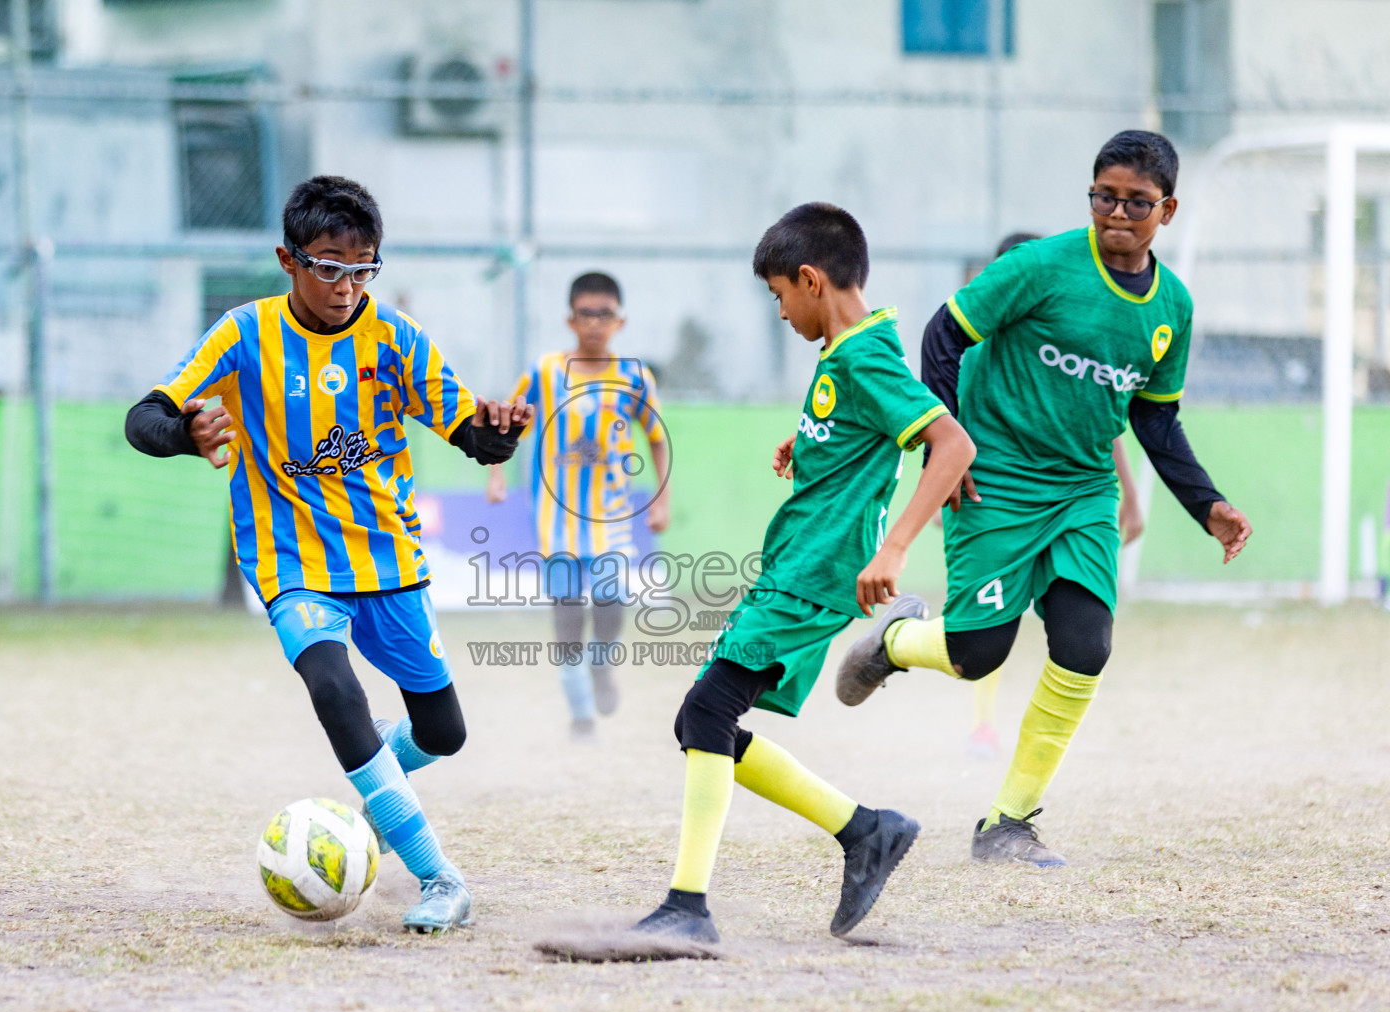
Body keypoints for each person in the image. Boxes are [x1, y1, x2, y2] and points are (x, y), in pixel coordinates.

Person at [124, 175, 531, 932]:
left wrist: (500, 428)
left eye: (363, 267)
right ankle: (440, 878)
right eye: (328, 266)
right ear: (288, 259)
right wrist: (186, 435)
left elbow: (472, 435)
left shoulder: (397, 338)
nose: (346, 286)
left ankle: (375, 788)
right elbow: (143, 416)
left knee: (442, 733)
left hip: (391, 564)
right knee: (336, 693)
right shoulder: (245, 333)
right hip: (290, 565)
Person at [836, 131, 1252, 866]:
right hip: (996, 481)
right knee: (977, 657)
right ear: (1090, 196)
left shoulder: (1173, 307)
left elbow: (1153, 415)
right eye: (1104, 197)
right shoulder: (1040, 267)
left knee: (1086, 647)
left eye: (1136, 202)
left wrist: (1205, 502)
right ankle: (896, 642)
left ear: (1169, 209)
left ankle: (1010, 822)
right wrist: (946, 441)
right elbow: (944, 335)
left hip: (1084, 490)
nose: (1117, 213)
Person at [631, 203, 977, 944]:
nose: (781, 312)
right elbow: (867, 428)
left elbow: (952, 446)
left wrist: (894, 551)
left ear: (811, 280)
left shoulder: (864, 355)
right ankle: (865, 831)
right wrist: (810, 442)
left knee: (707, 715)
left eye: (779, 295)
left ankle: (688, 908)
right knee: (701, 721)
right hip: (797, 563)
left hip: (815, 573)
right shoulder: (848, 349)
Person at [962, 233, 1147, 760]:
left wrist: (1129, 497)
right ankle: (981, 723)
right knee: (985, 635)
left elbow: (1104, 423)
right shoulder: (975, 346)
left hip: (1069, 502)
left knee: (1084, 637)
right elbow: (940, 420)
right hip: (994, 501)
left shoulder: (1068, 336)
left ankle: (1011, 803)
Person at [487, 272, 668, 739]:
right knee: (567, 610)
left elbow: (656, 439)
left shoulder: (634, 376)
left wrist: (661, 498)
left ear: (619, 320)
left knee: (610, 604)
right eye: (585, 313)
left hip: (611, 516)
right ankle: (580, 711)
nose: (594, 323)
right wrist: (496, 471)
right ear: (571, 318)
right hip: (556, 518)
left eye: (603, 314)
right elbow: (507, 425)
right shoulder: (545, 371)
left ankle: (602, 664)